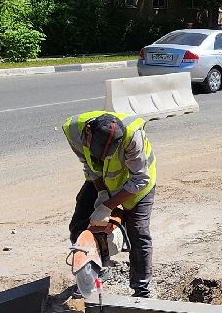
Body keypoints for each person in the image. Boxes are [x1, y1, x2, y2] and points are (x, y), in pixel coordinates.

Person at [61, 110, 157, 297]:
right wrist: (102, 192)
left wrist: (107, 206)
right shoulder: (73, 130)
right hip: (104, 179)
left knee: (139, 233)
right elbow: (89, 166)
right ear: (88, 132)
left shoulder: (132, 136)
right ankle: (94, 273)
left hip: (137, 183)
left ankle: (141, 291)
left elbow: (140, 179)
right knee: (79, 223)